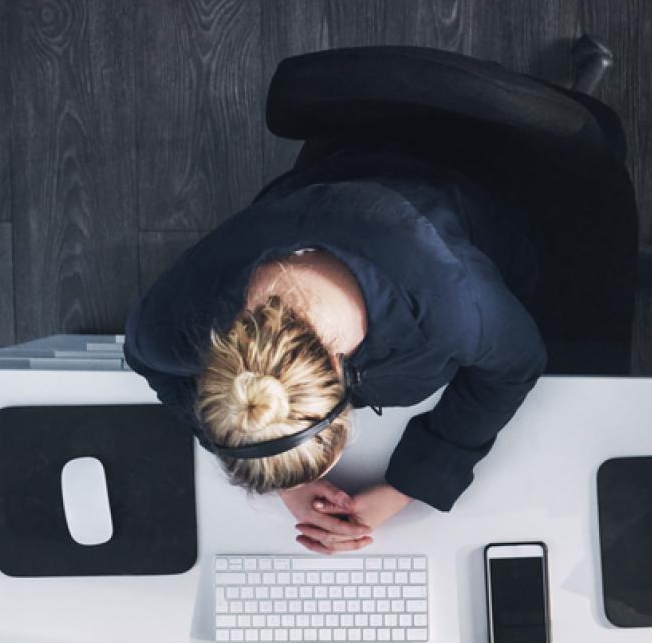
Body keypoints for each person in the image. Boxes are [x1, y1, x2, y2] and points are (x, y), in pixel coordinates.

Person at [125, 149, 549, 555]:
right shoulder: (177, 322)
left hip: (468, 190)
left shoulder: (452, 308)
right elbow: (146, 359)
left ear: (340, 375)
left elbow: (515, 365)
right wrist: (288, 482)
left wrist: (408, 486)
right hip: (324, 187)